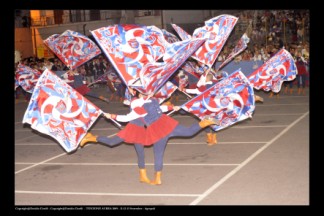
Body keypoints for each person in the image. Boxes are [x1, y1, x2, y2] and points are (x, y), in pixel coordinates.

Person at [79, 88, 219, 185]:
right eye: (145, 92)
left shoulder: (149, 100)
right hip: (145, 126)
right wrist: (112, 115)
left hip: (153, 128)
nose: (150, 92)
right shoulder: (140, 102)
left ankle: (150, 177)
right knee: (114, 143)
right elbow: (130, 116)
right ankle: (91, 137)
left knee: (151, 153)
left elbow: (158, 108)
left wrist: (171, 107)